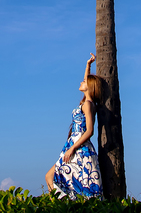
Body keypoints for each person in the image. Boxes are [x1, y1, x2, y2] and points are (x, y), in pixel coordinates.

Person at [45, 52, 104, 199]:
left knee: (51, 177)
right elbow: (86, 80)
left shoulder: (88, 105)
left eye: (84, 82)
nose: (81, 82)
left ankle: (60, 205)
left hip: (78, 147)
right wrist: (88, 65)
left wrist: (72, 148)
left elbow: (89, 130)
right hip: (73, 144)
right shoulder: (86, 102)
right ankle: (61, 204)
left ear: (89, 87)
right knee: (50, 177)